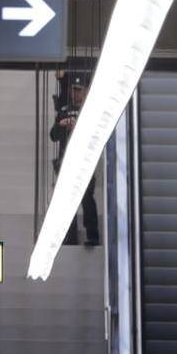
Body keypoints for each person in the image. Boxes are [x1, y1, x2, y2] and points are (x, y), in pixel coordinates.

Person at [49, 73, 100, 247]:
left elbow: (98, 134)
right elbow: (53, 136)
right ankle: (68, 237)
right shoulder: (63, 110)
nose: (75, 93)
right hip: (66, 162)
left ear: (86, 91)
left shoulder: (92, 110)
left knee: (87, 199)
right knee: (66, 201)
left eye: (78, 90)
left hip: (86, 162)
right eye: (73, 90)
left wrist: (79, 125)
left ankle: (93, 236)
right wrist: (62, 125)